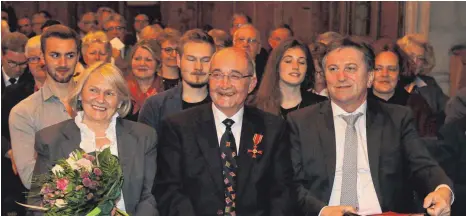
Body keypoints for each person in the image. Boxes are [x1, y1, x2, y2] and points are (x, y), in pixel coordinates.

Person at [287, 39, 453, 216]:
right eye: (333, 69)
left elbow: (424, 167)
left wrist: (443, 190)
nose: (341, 77)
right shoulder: (301, 122)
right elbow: (290, 184)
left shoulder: (396, 119)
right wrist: (321, 211)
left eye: (350, 68)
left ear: (370, 77)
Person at [155, 47, 293, 215]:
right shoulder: (178, 127)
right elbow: (169, 191)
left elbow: (282, 194)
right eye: (217, 75)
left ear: (252, 83)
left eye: (235, 76)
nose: (225, 85)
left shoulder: (273, 129)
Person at [27, 62, 158, 216]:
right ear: (80, 94)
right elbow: (37, 204)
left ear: (121, 101)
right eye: (93, 90)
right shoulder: (51, 139)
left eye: (109, 93)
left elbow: (149, 196)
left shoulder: (143, 137)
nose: (100, 99)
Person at [9, 25, 79, 189]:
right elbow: (30, 178)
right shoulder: (24, 112)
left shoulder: (98, 102)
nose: (63, 63)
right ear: (42, 57)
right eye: (55, 55)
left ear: (78, 56)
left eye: (70, 55)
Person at [138, 29, 213, 132]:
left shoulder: (223, 105)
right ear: (178, 60)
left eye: (205, 60)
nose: (198, 67)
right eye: (191, 59)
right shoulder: (155, 106)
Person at [368, 43, 438, 137]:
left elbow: (428, 144)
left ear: (400, 73)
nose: (385, 74)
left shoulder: (416, 105)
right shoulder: (358, 104)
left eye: (392, 69)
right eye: (378, 69)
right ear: (368, 73)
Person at [251, 38, 326, 119]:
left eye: (301, 62)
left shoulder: (320, 106)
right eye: (288, 61)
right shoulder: (255, 106)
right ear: (277, 66)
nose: (295, 67)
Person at [2, 35, 47, 141]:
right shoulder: (13, 93)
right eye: (34, 59)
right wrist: (9, 151)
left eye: (44, 57)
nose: (41, 63)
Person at [397, 34, 449, 115]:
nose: (414, 62)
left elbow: (449, 108)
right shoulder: (392, 83)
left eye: (420, 58)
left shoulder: (429, 84)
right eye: (410, 56)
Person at [125, 41, 163, 121]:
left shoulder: (166, 90)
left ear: (158, 64)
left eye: (148, 60)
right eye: (137, 59)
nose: (142, 63)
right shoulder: (121, 89)